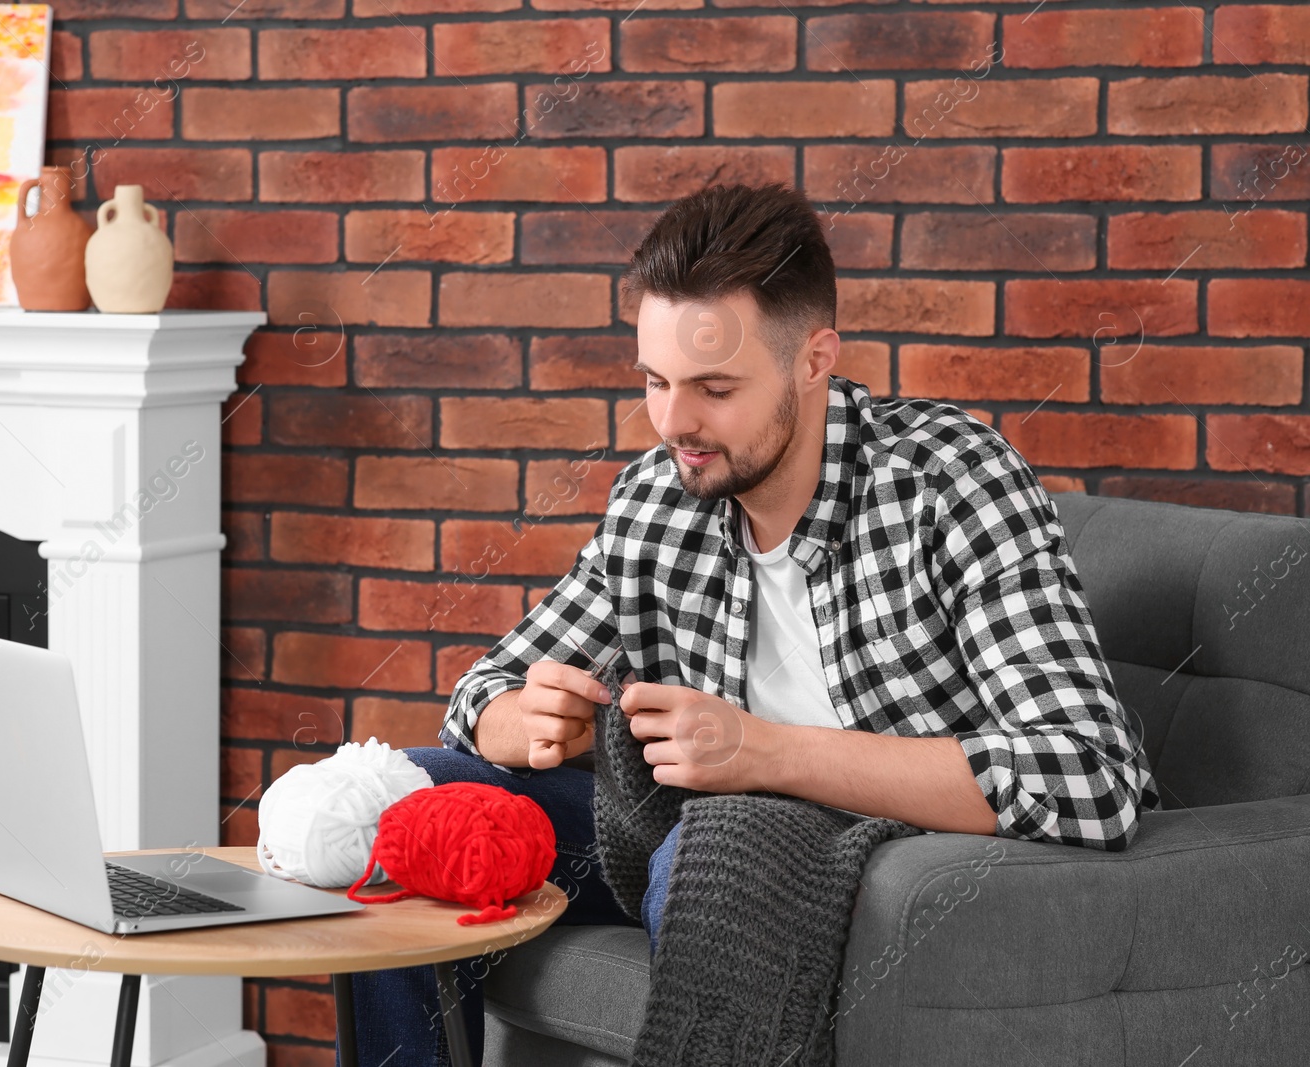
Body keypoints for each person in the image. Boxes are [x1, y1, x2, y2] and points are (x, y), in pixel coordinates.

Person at [338, 181, 1159, 1067]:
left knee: (713, 845)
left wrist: (764, 753)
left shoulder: (951, 479)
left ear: (814, 359)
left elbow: (1091, 774)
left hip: (858, 850)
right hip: (669, 833)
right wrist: (526, 720)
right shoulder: (656, 498)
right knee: (412, 797)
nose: (674, 423)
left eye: (715, 388)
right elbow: (479, 697)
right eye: (655, 382)